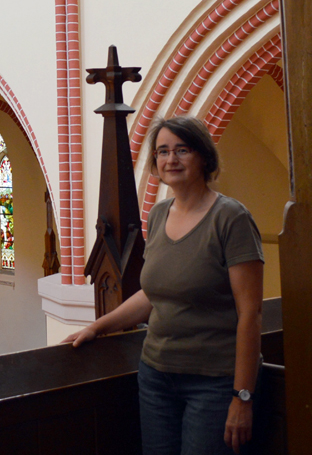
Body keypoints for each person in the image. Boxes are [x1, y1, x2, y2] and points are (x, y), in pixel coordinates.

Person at [64, 116, 263, 455]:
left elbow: (250, 314)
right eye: (162, 151)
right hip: (156, 375)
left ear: (202, 157)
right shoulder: (157, 216)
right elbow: (152, 295)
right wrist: (98, 327)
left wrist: (242, 396)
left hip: (213, 381)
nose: (171, 160)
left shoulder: (231, 219)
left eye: (181, 150)